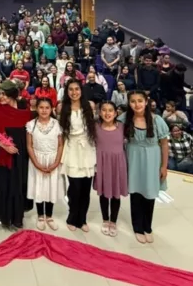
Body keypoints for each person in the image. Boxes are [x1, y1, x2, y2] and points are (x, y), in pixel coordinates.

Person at [119, 90, 169, 244]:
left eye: (140, 101)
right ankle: (138, 227)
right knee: (136, 193)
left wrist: (164, 166)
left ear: (146, 102)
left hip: (152, 159)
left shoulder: (157, 120)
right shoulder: (124, 119)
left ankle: (148, 226)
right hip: (133, 158)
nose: (137, 104)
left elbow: (164, 144)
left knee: (149, 193)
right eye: (133, 101)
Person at [0, 80, 32, 229]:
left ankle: (17, 216)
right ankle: (5, 216)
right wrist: (5, 146)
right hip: (3, 152)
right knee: (5, 183)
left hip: (22, 152)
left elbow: (30, 124)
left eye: (4, 94)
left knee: (19, 182)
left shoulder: (23, 106)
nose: (0, 97)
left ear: (12, 94)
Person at [59, 80, 97, 232]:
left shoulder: (89, 106)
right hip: (72, 148)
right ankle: (72, 216)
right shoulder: (63, 108)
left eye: (77, 89)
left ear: (81, 90)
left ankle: (82, 219)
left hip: (87, 148)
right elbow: (62, 132)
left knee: (86, 188)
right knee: (74, 187)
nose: (74, 92)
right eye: (71, 89)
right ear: (67, 91)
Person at [26, 98, 63, 231]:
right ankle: (40, 215)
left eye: (47, 108)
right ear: (36, 108)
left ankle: (49, 215)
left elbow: (60, 145)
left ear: (51, 109)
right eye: (41, 107)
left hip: (52, 159)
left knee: (51, 187)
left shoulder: (57, 124)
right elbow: (29, 146)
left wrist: (56, 162)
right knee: (39, 186)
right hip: (37, 159)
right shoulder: (31, 125)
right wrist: (36, 163)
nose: (44, 110)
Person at [93, 101, 127, 237]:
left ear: (115, 113)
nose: (107, 113)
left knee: (115, 193)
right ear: (100, 112)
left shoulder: (122, 127)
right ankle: (105, 219)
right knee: (103, 193)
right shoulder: (96, 127)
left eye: (110, 110)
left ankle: (113, 221)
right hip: (102, 163)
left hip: (117, 164)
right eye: (104, 110)